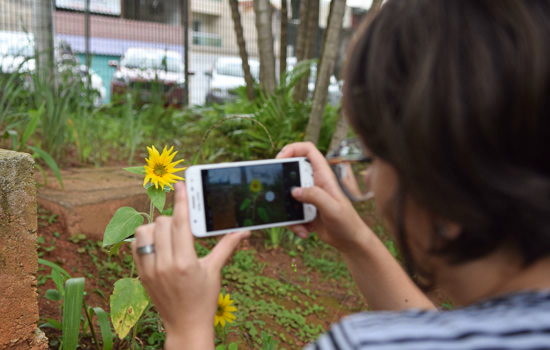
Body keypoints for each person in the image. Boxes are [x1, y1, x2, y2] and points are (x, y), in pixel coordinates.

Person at [131, 0, 550, 349]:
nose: (366, 181)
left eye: (369, 159)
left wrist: (187, 328)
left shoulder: (362, 343)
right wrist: (356, 241)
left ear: (445, 187)